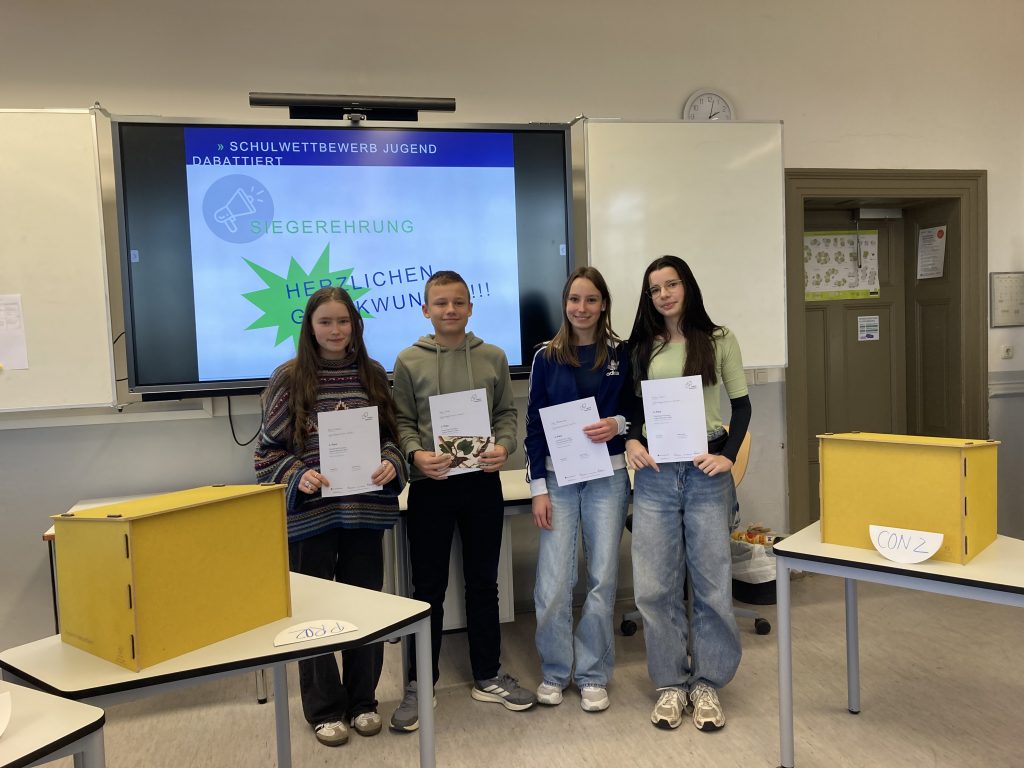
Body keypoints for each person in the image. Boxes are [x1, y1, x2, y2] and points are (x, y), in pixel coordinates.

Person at [254, 286, 408, 747]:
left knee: (364, 609)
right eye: (325, 322)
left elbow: (393, 439)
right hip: (311, 519)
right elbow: (266, 454)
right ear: (310, 327)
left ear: (355, 325)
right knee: (314, 616)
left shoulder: (373, 375)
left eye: (343, 321)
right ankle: (324, 709)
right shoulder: (289, 378)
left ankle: (363, 702)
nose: (335, 330)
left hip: (363, 515)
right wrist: (297, 474)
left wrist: (391, 462)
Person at [389, 270, 535, 731]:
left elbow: (507, 414)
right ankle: (420, 684)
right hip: (430, 486)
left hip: (481, 484)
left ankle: (487, 676)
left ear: (470, 307)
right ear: (425, 310)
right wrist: (415, 454)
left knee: (483, 584)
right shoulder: (408, 360)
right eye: (440, 303)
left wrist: (504, 448)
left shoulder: (493, 356)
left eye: (458, 302)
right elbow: (401, 421)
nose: (449, 310)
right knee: (427, 589)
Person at [623, 255, 751, 732]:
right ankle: (671, 683)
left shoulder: (719, 340)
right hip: (656, 473)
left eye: (671, 284)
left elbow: (742, 407)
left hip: (705, 470)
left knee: (712, 583)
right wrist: (630, 440)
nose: (664, 295)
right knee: (654, 586)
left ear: (687, 287)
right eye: (655, 289)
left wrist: (728, 457)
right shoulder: (642, 347)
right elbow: (631, 410)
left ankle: (708, 683)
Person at [526, 266, 632, 713]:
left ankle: (592, 674)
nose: (581, 308)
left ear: (603, 304)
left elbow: (636, 412)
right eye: (574, 299)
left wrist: (618, 424)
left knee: (602, 578)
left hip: (609, 476)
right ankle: (555, 670)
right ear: (564, 303)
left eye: (591, 299)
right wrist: (537, 487)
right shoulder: (545, 357)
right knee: (554, 582)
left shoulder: (624, 353)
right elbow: (534, 426)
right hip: (558, 479)